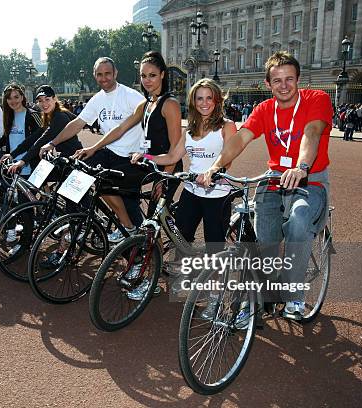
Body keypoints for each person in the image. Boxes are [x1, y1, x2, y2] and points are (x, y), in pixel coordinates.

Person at [201, 51, 332, 321]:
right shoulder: (264, 110)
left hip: (310, 178)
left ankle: (294, 293)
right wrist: (217, 166)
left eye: (289, 79)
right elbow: (239, 139)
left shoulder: (317, 99)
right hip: (274, 178)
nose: (283, 85)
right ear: (268, 84)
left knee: (298, 220)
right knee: (265, 244)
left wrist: (302, 167)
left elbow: (312, 133)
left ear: (298, 80)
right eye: (277, 80)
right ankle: (263, 296)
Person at [72, 51, 182, 243]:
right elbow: (120, 129)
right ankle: (130, 229)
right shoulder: (146, 103)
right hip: (147, 163)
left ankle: (155, 255)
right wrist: (94, 148)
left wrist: (163, 180)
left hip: (166, 168)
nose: (147, 81)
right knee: (103, 181)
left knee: (153, 223)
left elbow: (175, 147)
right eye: (143, 76)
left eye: (152, 75)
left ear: (163, 75)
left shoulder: (169, 104)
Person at [39, 57, 145, 231]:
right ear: (94, 75)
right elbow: (77, 124)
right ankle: (79, 222)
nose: (104, 78)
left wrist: (94, 148)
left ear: (115, 73)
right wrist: (52, 143)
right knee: (77, 171)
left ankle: (140, 243)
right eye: (99, 74)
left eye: (108, 74)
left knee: (129, 205)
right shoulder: (97, 99)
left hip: (130, 156)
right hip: (109, 151)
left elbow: (126, 128)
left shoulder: (131, 96)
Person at [132, 78, 236, 249]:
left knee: (214, 247)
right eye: (199, 98)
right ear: (193, 102)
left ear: (216, 100)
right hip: (191, 190)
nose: (204, 103)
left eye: (209, 98)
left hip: (216, 194)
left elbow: (228, 158)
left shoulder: (227, 126)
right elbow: (172, 156)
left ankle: (214, 275)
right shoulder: (189, 130)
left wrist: (212, 171)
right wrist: (147, 157)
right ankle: (188, 271)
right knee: (180, 238)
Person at [8, 85, 82, 174]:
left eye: (47, 99)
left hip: (73, 161)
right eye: (40, 101)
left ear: (54, 99)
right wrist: (12, 155)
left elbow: (43, 140)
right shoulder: (52, 115)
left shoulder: (60, 116)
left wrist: (23, 161)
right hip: (67, 159)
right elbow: (33, 138)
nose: (44, 103)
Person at [0, 83, 43, 176]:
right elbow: (4, 140)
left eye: (16, 97)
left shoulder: (33, 115)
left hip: (30, 165)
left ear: (22, 97)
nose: (13, 101)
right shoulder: (8, 117)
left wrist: (15, 155)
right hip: (12, 166)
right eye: (9, 98)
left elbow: (36, 140)